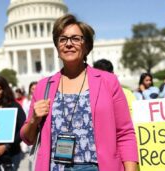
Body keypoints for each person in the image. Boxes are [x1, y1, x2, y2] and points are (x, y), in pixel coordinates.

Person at [20, 14, 138, 171]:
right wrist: (34, 119)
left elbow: (125, 134)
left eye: (75, 38)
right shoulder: (43, 86)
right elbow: (27, 138)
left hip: (97, 166)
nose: (69, 44)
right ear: (57, 47)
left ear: (86, 45)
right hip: (56, 167)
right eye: (63, 39)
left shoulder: (108, 82)